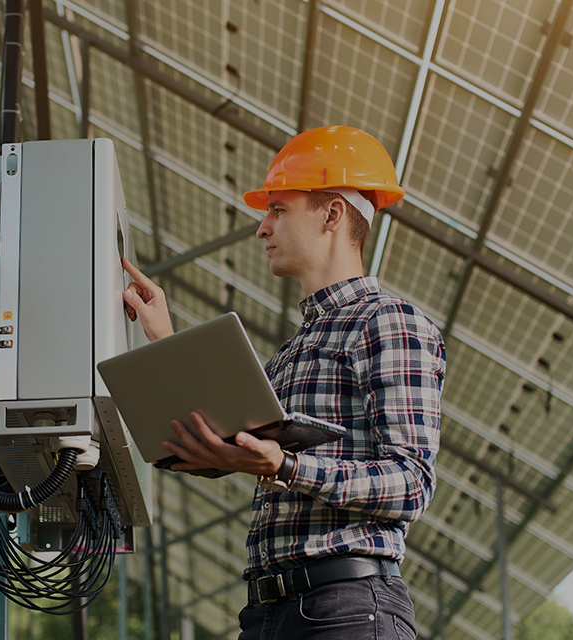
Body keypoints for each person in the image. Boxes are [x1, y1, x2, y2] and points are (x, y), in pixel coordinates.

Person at [120, 125, 445, 639]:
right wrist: (162, 337)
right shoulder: (293, 352)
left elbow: (412, 485)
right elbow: (228, 442)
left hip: (348, 609)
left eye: (278, 209)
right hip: (269, 613)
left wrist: (288, 466)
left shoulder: (389, 322)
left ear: (332, 214)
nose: (262, 228)